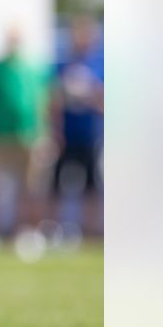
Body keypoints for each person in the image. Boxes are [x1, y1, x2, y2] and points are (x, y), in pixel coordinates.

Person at [0, 26, 50, 241]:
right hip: (1, 135)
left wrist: (45, 133)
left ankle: (25, 231)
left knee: (30, 188)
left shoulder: (33, 68)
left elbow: (43, 103)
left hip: (29, 135)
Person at [49, 16, 104, 238]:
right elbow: (52, 100)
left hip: (90, 134)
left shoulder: (100, 64)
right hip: (66, 135)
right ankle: (53, 231)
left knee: (91, 185)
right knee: (56, 185)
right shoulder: (61, 65)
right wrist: (55, 131)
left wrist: (91, 94)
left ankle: (90, 231)